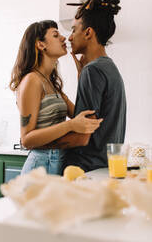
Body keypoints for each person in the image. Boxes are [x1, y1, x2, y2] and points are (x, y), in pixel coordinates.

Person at [9, 20, 102, 175]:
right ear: (41, 45)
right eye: (55, 35)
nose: (64, 38)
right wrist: (70, 125)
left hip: (58, 160)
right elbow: (26, 139)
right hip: (40, 165)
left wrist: (82, 76)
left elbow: (83, 116)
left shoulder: (51, 84)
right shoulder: (32, 80)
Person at [59, 0, 127, 172]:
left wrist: (37, 141)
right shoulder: (108, 67)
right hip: (101, 167)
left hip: (83, 170)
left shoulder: (93, 71)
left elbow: (82, 136)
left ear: (88, 32)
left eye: (74, 30)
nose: (70, 38)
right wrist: (81, 76)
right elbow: (94, 122)